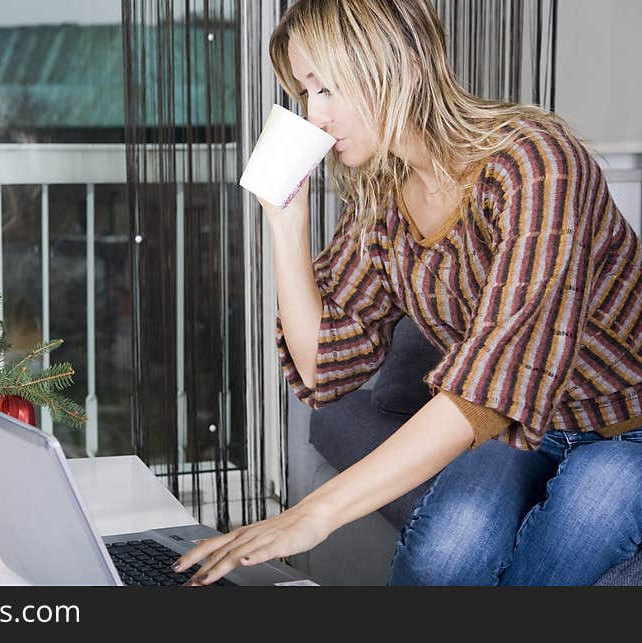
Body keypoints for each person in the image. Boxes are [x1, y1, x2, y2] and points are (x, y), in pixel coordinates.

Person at [173, 0, 642, 586]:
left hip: (627, 425)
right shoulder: (383, 196)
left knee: (574, 530)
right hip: (524, 428)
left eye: (325, 89)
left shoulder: (536, 163)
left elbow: (497, 380)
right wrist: (283, 221)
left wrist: (312, 515)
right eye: (303, 93)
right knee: (441, 559)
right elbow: (324, 369)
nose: (313, 117)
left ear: (398, 64)